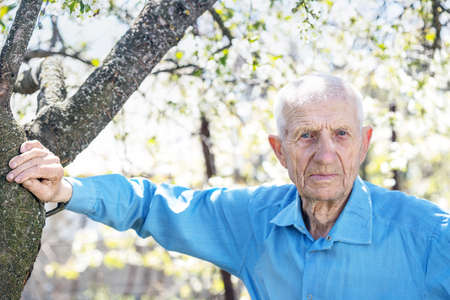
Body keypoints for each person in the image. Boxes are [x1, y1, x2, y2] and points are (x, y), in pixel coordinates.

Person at [7, 74, 449, 300]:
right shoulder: (252, 222)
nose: (325, 154)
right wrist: (69, 189)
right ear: (280, 150)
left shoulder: (428, 236)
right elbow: (152, 205)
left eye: (342, 134)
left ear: (365, 143)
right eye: (307, 136)